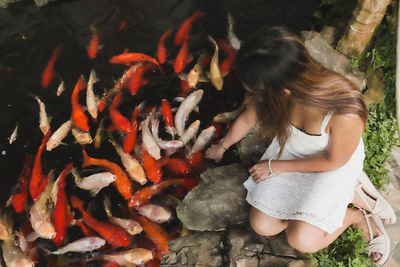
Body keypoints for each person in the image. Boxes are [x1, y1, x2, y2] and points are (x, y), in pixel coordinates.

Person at [205, 25, 396, 265]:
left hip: (330, 163)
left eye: (254, 90)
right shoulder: (278, 90)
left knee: (303, 240)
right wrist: (222, 147)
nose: (252, 94)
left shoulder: (345, 111)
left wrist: (275, 167)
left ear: (282, 90)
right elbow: (248, 116)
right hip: (293, 154)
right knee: (263, 225)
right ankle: (345, 196)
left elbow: (334, 160)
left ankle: (355, 215)